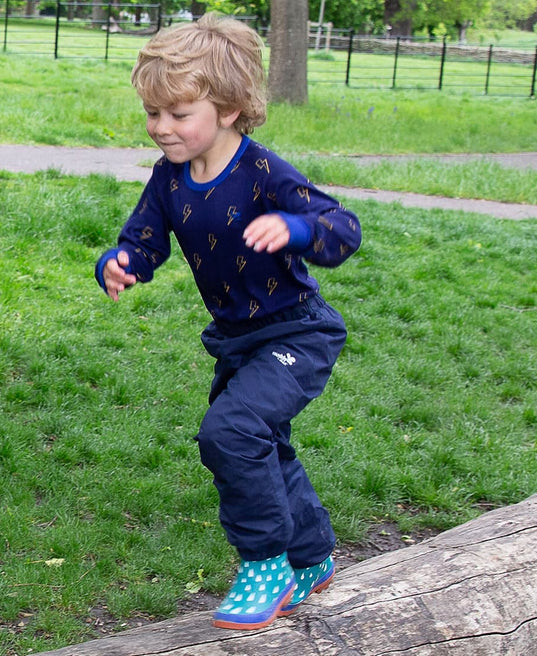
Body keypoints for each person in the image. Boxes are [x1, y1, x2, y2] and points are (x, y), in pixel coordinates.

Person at [95, 12, 362, 631]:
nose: (161, 128)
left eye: (178, 114)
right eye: (152, 113)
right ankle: (312, 556)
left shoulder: (264, 172)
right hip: (239, 341)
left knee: (230, 435)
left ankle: (265, 562)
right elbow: (143, 241)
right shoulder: (169, 179)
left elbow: (342, 229)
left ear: (232, 109)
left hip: (297, 332)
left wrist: (295, 229)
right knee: (264, 445)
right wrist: (120, 262)